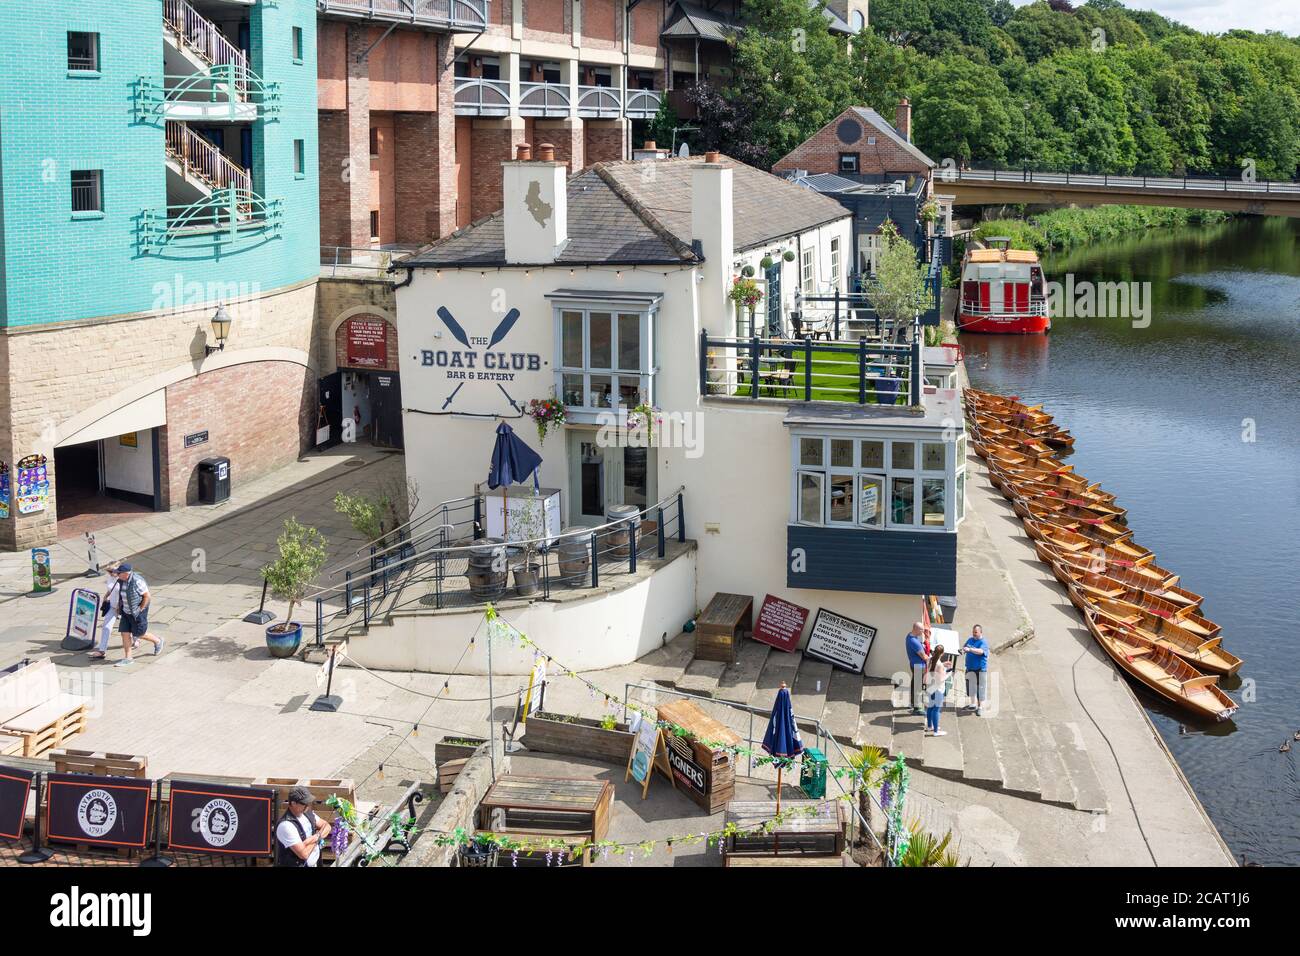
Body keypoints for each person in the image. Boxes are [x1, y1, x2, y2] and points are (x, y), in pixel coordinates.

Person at [114, 563, 162, 666]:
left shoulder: (137, 581)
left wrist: (140, 609)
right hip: (126, 611)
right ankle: (128, 658)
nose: (117, 575)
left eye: (119, 573)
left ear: (126, 573)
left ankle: (157, 641)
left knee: (139, 633)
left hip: (137, 613)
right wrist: (119, 606)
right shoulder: (122, 580)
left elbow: (147, 596)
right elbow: (122, 595)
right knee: (124, 633)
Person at [276, 786, 332, 867]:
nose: (307, 806)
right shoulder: (286, 825)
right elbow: (304, 854)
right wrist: (317, 839)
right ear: (293, 803)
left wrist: (315, 837)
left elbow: (327, 826)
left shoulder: (307, 813)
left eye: (308, 803)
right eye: (304, 803)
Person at [87, 562, 124, 660]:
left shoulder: (123, 579)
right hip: (112, 607)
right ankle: (102, 651)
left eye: (112, 571)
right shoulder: (110, 578)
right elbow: (111, 588)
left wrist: (120, 606)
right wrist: (106, 595)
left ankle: (136, 639)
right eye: (108, 571)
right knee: (106, 627)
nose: (110, 573)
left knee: (130, 627)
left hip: (123, 608)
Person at [961, 624, 990, 715]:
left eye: (976, 632)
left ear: (981, 632)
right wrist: (962, 650)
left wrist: (969, 649)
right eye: (973, 632)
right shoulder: (970, 639)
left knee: (980, 688)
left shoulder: (983, 642)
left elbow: (981, 651)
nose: (974, 634)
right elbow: (965, 646)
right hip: (970, 668)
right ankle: (973, 704)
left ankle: (980, 707)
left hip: (980, 669)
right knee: (970, 687)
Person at [925, 646, 948, 737]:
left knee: (930, 707)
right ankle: (935, 731)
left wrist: (943, 664)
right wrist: (947, 675)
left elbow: (934, 665)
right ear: (942, 654)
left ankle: (930, 726)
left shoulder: (929, 659)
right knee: (936, 709)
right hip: (937, 689)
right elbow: (941, 679)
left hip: (930, 687)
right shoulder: (939, 665)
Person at [905, 622, 927, 715]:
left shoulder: (909, 636)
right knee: (918, 687)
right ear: (916, 629)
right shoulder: (914, 641)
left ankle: (913, 702)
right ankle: (917, 708)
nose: (923, 631)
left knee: (915, 684)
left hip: (913, 664)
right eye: (921, 630)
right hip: (918, 667)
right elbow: (924, 657)